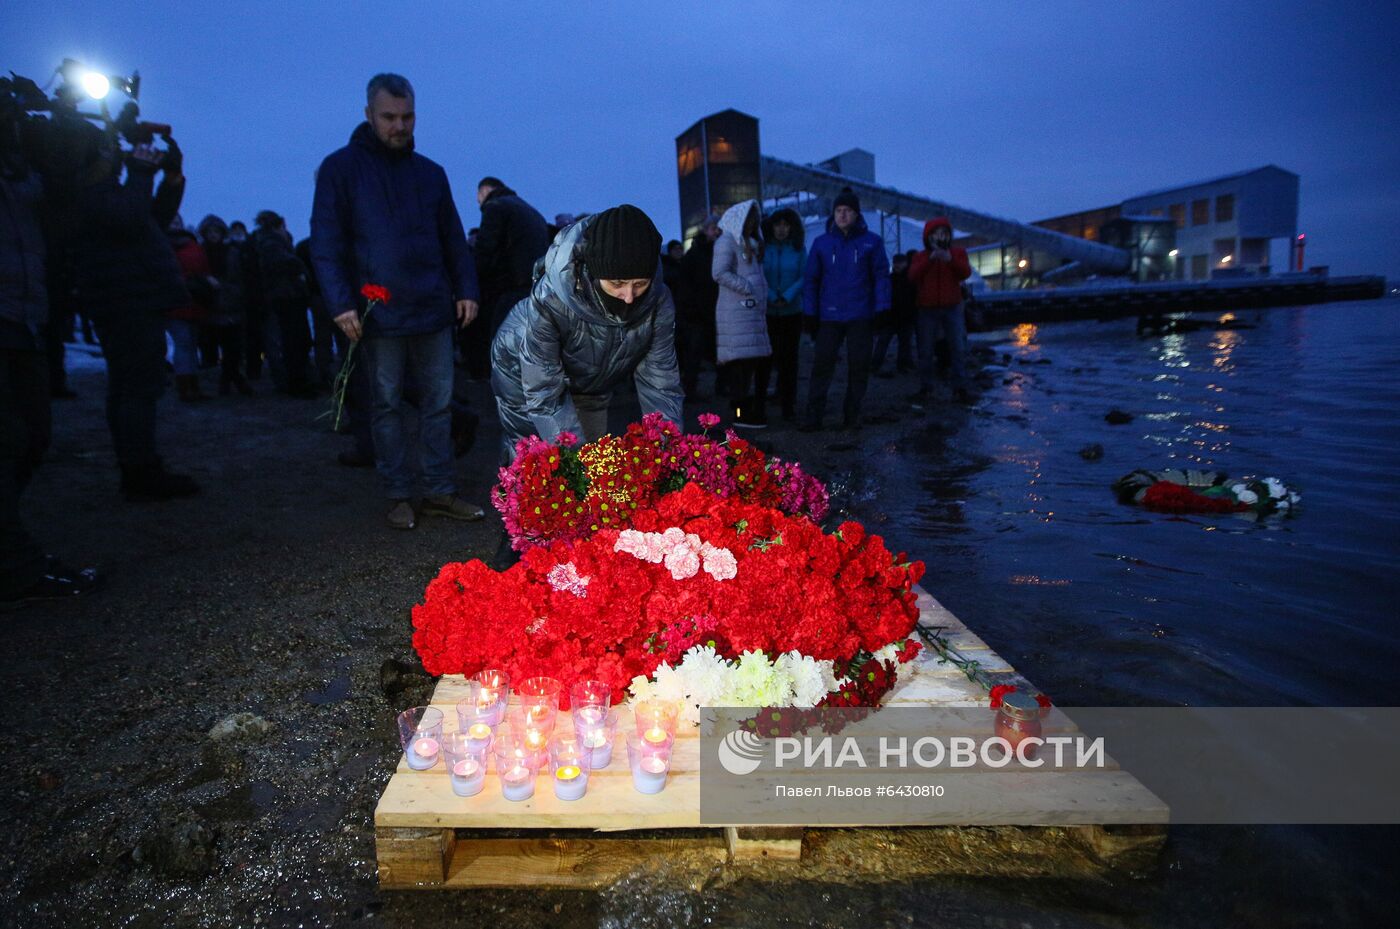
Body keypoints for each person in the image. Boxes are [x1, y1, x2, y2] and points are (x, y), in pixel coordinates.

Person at [311, 72, 483, 531]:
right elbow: (325, 242)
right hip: (376, 312)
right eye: (389, 117)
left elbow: (453, 237)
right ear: (368, 114)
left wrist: (466, 288)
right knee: (385, 406)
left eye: (407, 117)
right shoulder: (340, 170)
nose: (399, 126)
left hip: (432, 308)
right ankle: (398, 494)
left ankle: (441, 490)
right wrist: (340, 303)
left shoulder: (431, 173)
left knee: (438, 405)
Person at [490, 204, 682, 460]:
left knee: (593, 456)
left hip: (591, 378)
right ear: (594, 273)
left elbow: (661, 385)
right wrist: (576, 468)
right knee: (535, 460)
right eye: (617, 284)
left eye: (640, 284)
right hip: (521, 371)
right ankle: (508, 495)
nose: (628, 297)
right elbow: (544, 392)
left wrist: (668, 458)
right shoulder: (550, 299)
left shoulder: (658, 301)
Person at [66, 136, 200, 500]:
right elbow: (128, 218)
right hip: (126, 300)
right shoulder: (90, 191)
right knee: (137, 387)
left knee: (131, 387)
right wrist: (142, 173)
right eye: (109, 151)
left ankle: (139, 466)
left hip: (127, 299)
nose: (119, 158)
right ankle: (139, 472)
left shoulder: (105, 193)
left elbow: (150, 220)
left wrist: (172, 178)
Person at [2, 162, 101, 604]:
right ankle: (14, 566)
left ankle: (11, 551)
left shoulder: (26, 177)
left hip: (26, 319)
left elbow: (71, 216)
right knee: (8, 438)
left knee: (33, 436)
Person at [800, 188, 890, 431]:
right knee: (822, 365)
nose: (842, 215)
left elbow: (881, 277)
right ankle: (813, 417)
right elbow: (811, 280)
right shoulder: (821, 243)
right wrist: (810, 313)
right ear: (833, 213)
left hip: (861, 315)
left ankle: (852, 415)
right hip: (829, 316)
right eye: (839, 210)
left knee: (859, 365)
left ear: (856, 214)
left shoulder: (872, 242)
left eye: (847, 210)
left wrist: (882, 309)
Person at [711, 200, 770, 428]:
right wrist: (747, 287)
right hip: (737, 312)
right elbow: (718, 272)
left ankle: (745, 411)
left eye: (756, 218)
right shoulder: (727, 241)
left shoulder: (751, 243)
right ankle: (739, 414)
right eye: (750, 217)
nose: (754, 222)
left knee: (749, 365)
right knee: (739, 367)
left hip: (750, 312)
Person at [474, 177, 550, 347]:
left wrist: (472, 285)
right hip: (536, 289)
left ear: (484, 191)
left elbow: (485, 250)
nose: (478, 203)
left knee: (501, 347)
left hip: (510, 289)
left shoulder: (495, 207)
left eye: (478, 198)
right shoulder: (531, 211)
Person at [906, 217, 972, 406]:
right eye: (936, 233)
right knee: (925, 349)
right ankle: (926, 387)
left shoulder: (957, 253)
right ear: (928, 236)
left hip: (952, 307)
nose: (940, 237)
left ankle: (959, 388)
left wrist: (950, 260)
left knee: (957, 348)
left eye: (944, 233)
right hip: (927, 309)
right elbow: (912, 276)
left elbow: (965, 272)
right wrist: (930, 259)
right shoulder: (921, 256)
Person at [253, 210, 313, 397]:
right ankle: (297, 383)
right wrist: (300, 270)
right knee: (294, 340)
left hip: (285, 296)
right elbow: (286, 263)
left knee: (294, 340)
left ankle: (298, 381)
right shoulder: (272, 243)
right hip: (287, 297)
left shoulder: (267, 241)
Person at [197, 215, 254, 397]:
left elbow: (242, 277)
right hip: (210, 307)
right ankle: (232, 381)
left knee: (234, 349)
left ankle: (231, 380)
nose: (213, 235)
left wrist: (233, 292)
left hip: (233, 304)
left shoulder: (233, 252)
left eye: (216, 231)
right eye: (210, 232)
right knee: (217, 347)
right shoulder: (201, 253)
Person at [759, 208, 805, 420]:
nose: (781, 229)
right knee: (765, 361)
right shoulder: (762, 249)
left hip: (791, 313)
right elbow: (757, 274)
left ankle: (789, 405)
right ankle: (760, 407)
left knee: (789, 361)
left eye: (786, 225)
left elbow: (804, 276)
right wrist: (769, 296)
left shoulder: (798, 248)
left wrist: (787, 296)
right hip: (767, 314)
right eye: (778, 224)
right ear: (771, 226)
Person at [166, 215, 214, 402]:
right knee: (184, 344)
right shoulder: (162, 244)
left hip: (195, 300)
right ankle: (185, 387)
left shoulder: (193, 244)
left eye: (177, 222)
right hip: (176, 302)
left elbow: (204, 268)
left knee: (191, 344)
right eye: (172, 222)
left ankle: (193, 385)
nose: (175, 225)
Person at [674, 215, 720, 399]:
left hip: (711, 308)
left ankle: (719, 385)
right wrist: (690, 308)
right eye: (713, 228)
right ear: (705, 229)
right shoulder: (695, 255)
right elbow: (686, 285)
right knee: (695, 352)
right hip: (698, 312)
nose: (716, 231)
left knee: (714, 350)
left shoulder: (710, 252)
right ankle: (690, 388)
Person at [872, 250, 916, 378]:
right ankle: (879, 364)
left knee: (897, 343)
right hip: (893, 318)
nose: (897, 265)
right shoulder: (902, 279)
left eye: (899, 263)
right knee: (893, 343)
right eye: (896, 262)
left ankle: (883, 365)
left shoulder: (899, 279)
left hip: (900, 317)